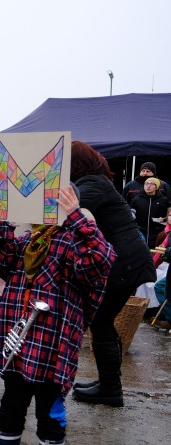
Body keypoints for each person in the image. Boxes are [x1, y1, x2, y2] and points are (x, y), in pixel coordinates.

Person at [0, 185, 115, 445]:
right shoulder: (29, 241)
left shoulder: (75, 243)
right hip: (19, 344)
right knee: (10, 406)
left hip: (53, 346)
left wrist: (77, 216)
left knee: (50, 413)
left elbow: (100, 260)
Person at [69, 141, 156, 407]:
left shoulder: (92, 185)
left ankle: (110, 389)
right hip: (127, 261)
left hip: (124, 263)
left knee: (101, 322)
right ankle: (109, 384)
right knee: (102, 322)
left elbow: (66, 210)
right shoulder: (95, 181)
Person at [129, 177, 168, 246]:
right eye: (146, 184)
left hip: (156, 233)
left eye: (152, 184)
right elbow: (130, 215)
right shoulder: (136, 199)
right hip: (140, 232)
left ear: (157, 187)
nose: (148, 186)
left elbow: (167, 217)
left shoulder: (163, 200)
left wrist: (163, 220)